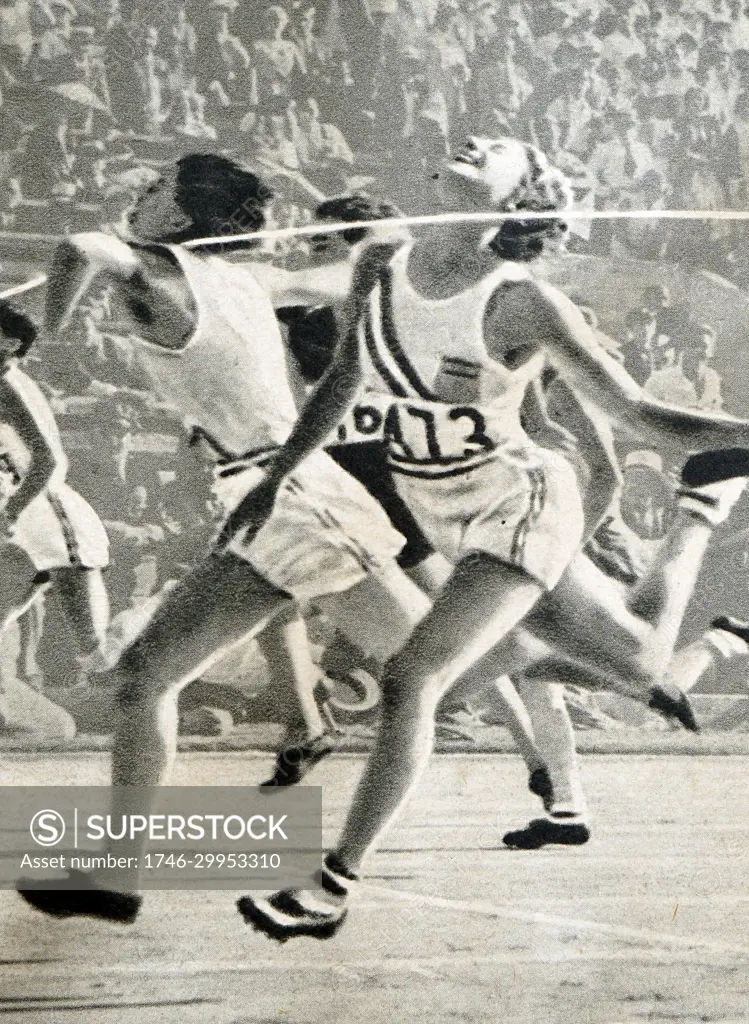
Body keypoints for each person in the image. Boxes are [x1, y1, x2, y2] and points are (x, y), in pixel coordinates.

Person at [234, 136, 749, 940]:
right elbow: (340, 379)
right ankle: (701, 512)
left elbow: (638, 415)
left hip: (520, 499)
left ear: (518, 199)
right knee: (643, 659)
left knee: (412, 676)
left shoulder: (521, 300)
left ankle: (330, 886)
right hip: (434, 499)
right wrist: (276, 477)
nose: (473, 141)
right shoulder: (379, 265)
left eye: (498, 147)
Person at [16, 153, 432, 922]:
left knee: (450, 661)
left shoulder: (152, 272)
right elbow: (349, 276)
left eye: (153, 192)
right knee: (437, 661)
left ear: (180, 217)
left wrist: (38, 330)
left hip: (288, 499)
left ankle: (655, 654)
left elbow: (82, 247)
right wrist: (385, 244)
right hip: (281, 495)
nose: (137, 200)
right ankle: (116, 876)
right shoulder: (252, 282)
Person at [0, 299, 110, 735]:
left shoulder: (8, 384)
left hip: (47, 514)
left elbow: (46, 459)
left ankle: (153, 707)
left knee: (93, 646)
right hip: (20, 520)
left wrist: (10, 511)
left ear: (8, 343)